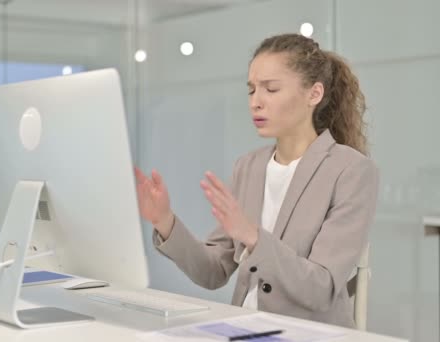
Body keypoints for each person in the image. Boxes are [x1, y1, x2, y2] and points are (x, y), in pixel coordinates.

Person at [134, 33, 379, 328]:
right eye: (251, 90)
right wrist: (165, 222)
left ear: (314, 94)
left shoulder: (351, 170)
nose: (256, 102)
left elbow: (321, 288)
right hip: (243, 327)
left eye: (271, 89)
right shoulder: (249, 166)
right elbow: (213, 271)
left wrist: (253, 237)